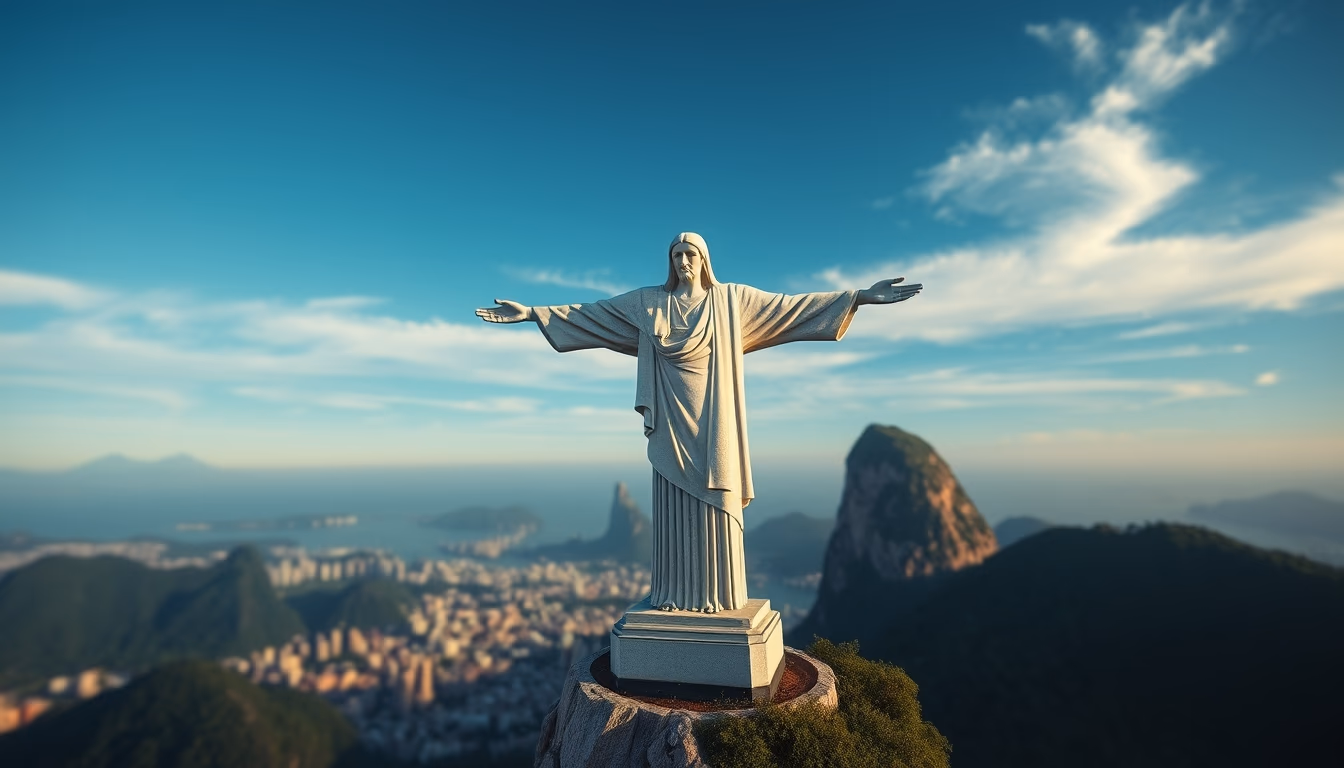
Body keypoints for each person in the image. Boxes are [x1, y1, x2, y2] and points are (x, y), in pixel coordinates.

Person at [477, 232, 920, 612]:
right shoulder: (648, 303)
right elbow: (591, 314)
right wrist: (534, 312)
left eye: (691, 254)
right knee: (674, 506)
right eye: (676, 255)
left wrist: (858, 296)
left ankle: (719, 595)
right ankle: (676, 593)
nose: (683, 261)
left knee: (717, 497)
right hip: (670, 422)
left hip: (715, 422)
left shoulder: (732, 301)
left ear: (705, 261)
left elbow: (792, 307)